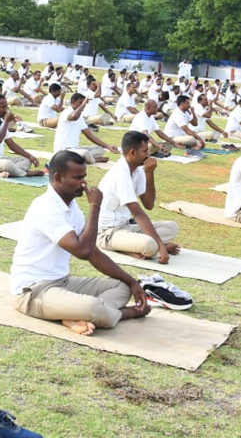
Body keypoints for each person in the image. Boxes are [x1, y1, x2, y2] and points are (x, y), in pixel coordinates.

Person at [10, 150, 151, 335]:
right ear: (58, 178)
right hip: (32, 292)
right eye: (77, 178)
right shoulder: (46, 208)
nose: (83, 183)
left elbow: (93, 252)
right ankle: (117, 314)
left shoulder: (71, 206)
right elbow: (82, 251)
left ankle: (74, 313)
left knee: (122, 287)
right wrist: (95, 206)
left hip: (62, 282)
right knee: (94, 307)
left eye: (84, 176)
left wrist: (132, 282)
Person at [97, 131, 181, 263]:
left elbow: (149, 204)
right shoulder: (120, 174)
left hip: (127, 226)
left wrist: (149, 174)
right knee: (150, 244)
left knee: (172, 227)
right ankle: (127, 248)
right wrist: (161, 247)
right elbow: (138, 214)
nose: (148, 155)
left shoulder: (137, 170)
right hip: (108, 232)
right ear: (132, 152)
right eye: (144, 151)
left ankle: (138, 246)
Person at [0, 94, 45, 178]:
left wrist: (29, 156)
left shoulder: (0, 121)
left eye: (6, 107)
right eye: (2, 107)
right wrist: (6, 121)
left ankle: (1, 171)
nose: (5, 110)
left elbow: (11, 144)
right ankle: (26, 173)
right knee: (8, 164)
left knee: (27, 161)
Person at [54, 92, 119, 163]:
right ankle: (93, 160)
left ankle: (84, 158)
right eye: (80, 103)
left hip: (75, 149)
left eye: (84, 103)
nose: (84, 106)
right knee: (85, 153)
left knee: (100, 149)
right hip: (63, 150)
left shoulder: (80, 117)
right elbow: (74, 117)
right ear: (73, 102)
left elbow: (90, 136)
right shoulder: (67, 112)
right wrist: (83, 104)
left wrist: (108, 146)